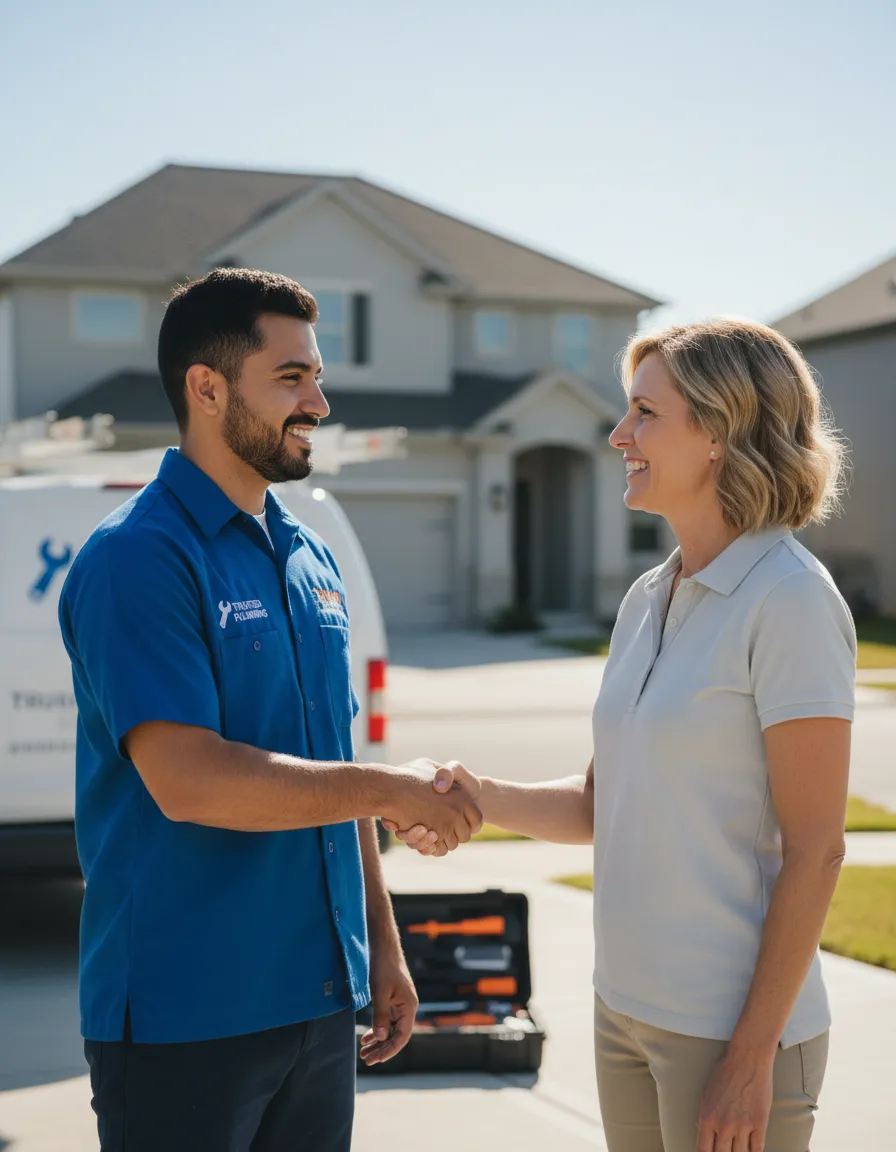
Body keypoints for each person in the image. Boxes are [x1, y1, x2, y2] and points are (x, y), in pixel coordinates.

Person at [390, 318, 855, 1152]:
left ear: (718, 431)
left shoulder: (790, 600)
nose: (619, 436)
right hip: (625, 1011)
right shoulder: (649, 596)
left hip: (732, 1034)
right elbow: (604, 801)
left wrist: (751, 1058)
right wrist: (477, 795)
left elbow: (819, 848)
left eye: (645, 413)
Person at [58, 267, 482, 1152]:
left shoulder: (310, 558)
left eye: (316, 376)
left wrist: (383, 941)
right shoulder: (137, 559)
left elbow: (331, 758)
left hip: (319, 1007)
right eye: (291, 378)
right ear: (206, 389)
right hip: (184, 1018)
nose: (319, 403)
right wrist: (393, 789)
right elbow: (190, 781)